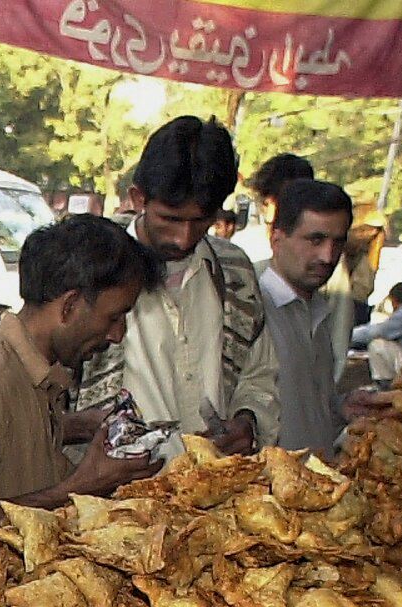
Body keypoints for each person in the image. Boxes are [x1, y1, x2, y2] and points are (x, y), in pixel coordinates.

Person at [73, 116, 279, 459]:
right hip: (111, 501)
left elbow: (259, 375)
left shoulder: (235, 273)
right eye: (170, 219)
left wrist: (248, 421)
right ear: (138, 198)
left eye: (200, 221)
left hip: (212, 496)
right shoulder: (88, 268)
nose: (183, 238)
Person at [0, 215, 164, 508]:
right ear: (70, 306)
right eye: (113, 318)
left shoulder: (37, 374)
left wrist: (79, 426)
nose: (117, 335)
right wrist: (81, 488)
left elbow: (14, 444)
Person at [261, 178, 364, 453]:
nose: (328, 256)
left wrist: (340, 407)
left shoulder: (318, 310)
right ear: (277, 238)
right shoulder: (251, 309)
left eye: (337, 242)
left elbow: (308, 410)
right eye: (315, 240)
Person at [229, 150, 311, 266]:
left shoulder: (326, 260)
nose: (270, 217)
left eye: (284, 205)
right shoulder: (248, 251)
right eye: (265, 205)